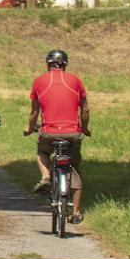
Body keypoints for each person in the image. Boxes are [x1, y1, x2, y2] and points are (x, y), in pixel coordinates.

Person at [26, 47, 90, 222]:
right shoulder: (75, 81)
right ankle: (76, 212)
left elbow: (34, 112)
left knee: (42, 152)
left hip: (49, 133)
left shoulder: (39, 81)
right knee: (74, 168)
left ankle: (46, 176)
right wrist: (84, 128)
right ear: (65, 65)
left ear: (48, 65)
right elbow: (84, 109)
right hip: (72, 134)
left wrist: (29, 128)